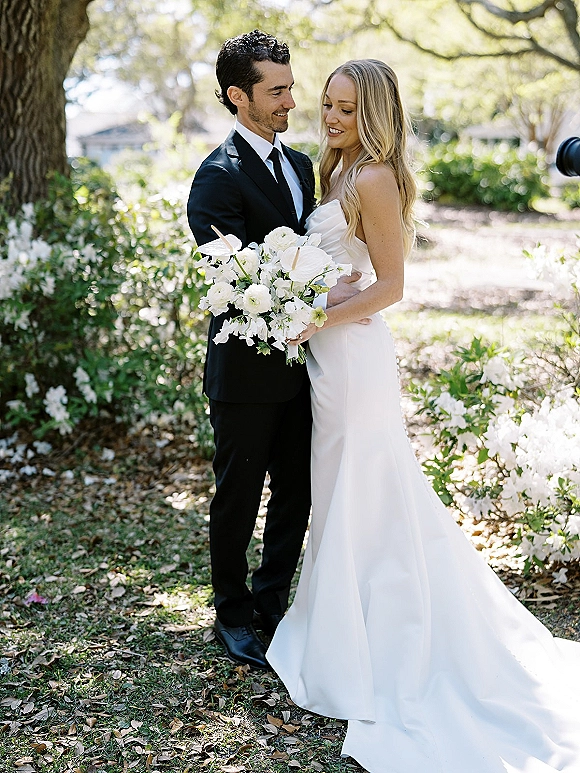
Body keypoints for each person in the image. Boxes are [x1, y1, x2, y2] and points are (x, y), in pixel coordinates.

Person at [266, 59, 580, 772]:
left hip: (354, 363)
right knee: (346, 491)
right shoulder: (337, 170)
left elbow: (394, 286)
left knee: (366, 490)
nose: (332, 117)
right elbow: (345, 268)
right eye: (327, 103)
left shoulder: (374, 177)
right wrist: (314, 299)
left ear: (374, 112)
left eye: (347, 107)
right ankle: (340, 625)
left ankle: (379, 638)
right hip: (330, 355)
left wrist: (317, 317)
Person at [187, 30, 359, 670]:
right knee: (238, 494)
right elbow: (230, 275)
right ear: (239, 97)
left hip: (305, 363)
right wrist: (310, 290)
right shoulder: (216, 176)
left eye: (291, 87)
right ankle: (230, 616)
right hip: (244, 371)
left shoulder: (301, 166)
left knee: (296, 491)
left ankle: (271, 605)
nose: (292, 100)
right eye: (277, 91)